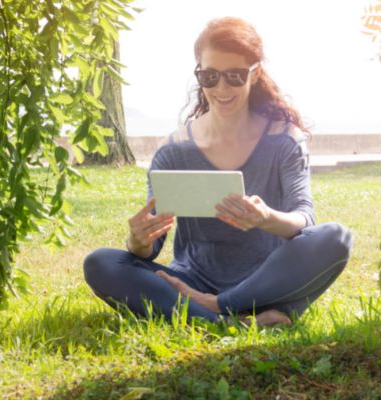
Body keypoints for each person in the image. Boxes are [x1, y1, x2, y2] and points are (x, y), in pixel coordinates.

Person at [83, 17, 352, 326]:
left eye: (235, 76)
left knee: (336, 237)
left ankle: (214, 308)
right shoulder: (173, 150)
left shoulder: (284, 140)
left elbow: (305, 219)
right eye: (209, 76)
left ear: (255, 73)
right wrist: (138, 241)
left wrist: (266, 219)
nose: (222, 88)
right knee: (101, 263)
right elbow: (151, 247)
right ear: (199, 75)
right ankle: (234, 322)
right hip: (190, 283)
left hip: (266, 285)